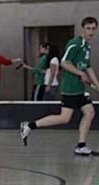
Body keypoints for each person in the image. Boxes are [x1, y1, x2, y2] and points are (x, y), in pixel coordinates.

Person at [20, 16, 99, 155]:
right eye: (88, 28)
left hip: (79, 88)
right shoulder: (75, 43)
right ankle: (29, 126)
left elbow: (87, 67)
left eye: (93, 29)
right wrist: (80, 74)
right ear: (83, 29)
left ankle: (81, 145)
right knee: (64, 118)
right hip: (70, 88)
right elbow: (64, 62)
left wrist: (97, 84)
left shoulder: (87, 46)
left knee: (89, 112)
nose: (91, 32)